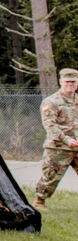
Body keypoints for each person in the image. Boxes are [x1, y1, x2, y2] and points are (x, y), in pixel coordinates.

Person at [33, 68, 78, 209]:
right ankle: (39, 202)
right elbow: (50, 126)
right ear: (60, 82)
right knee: (50, 176)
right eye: (67, 81)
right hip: (58, 147)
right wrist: (67, 140)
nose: (70, 84)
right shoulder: (51, 101)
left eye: (73, 82)